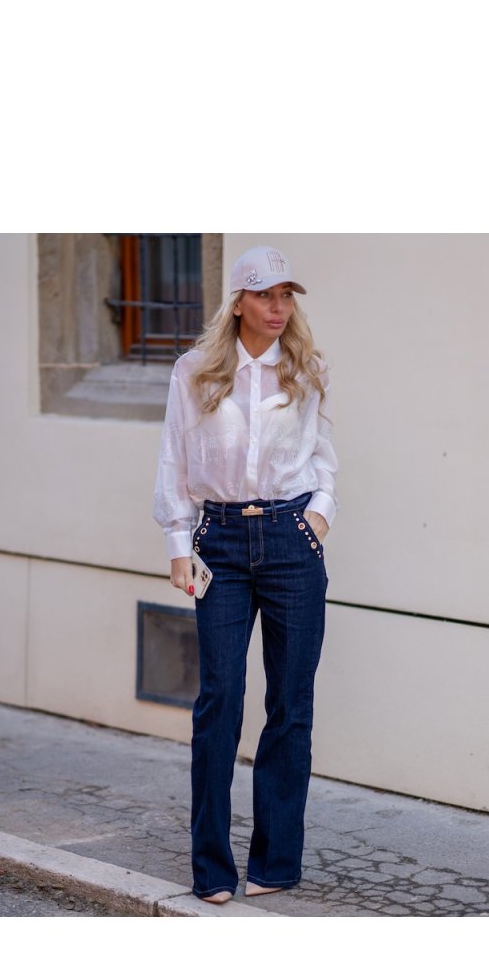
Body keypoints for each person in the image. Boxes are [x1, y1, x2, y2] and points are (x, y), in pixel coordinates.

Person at [153, 245, 337, 903]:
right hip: (222, 544)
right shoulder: (195, 371)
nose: (278, 307)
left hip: (292, 540)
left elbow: (323, 454)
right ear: (238, 302)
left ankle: (276, 863)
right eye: (265, 295)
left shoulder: (306, 367)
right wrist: (178, 542)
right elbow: (174, 457)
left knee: (290, 705)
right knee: (220, 700)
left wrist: (319, 516)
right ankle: (211, 868)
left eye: (286, 295)